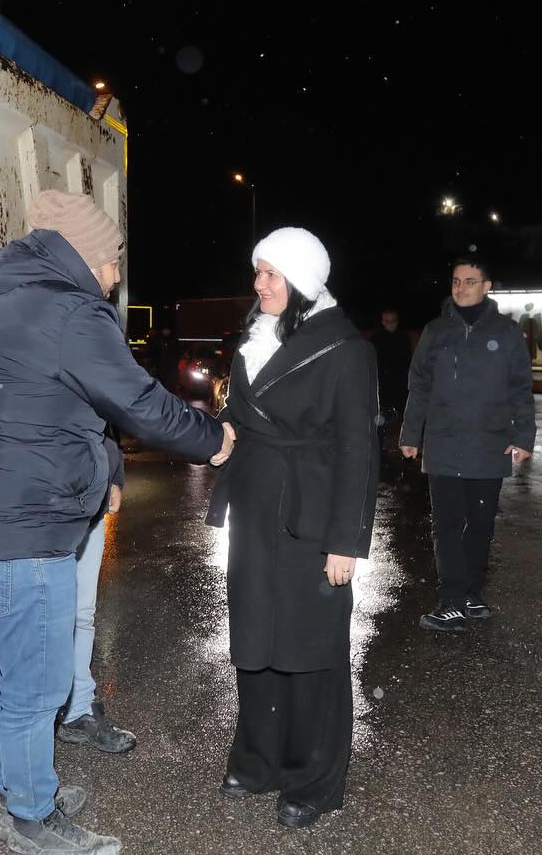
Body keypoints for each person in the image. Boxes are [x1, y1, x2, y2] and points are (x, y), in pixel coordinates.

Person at [0, 190, 233, 855]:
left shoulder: (1, 298)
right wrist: (211, 438)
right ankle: (32, 818)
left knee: (0, 675)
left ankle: (18, 789)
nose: (118, 274)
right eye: (113, 258)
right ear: (87, 255)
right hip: (22, 537)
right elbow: (139, 401)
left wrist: (105, 469)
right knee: (38, 688)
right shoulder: (72, 311)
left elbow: (46, 406)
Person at [205, 226, 379, 829]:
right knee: (256, 641)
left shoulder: (345, 349)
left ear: (303, 279)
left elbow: (359, 452)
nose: (259, 284)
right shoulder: (253, 341)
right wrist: (215, 441)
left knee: (310, 650)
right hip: (255, 513)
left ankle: (314, 777)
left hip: (310, 516)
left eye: (272, 273)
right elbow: (236, 417)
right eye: (257, 271)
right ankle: (257, 761)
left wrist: (346, 541)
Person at [398, 256, 537, 631]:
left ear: (487, 286)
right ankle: (453, 600)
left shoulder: (507, 333)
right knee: (447, 525)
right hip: (443, 444)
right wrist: (411, 434)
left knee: (480, 524)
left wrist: (523, 436)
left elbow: (520, 388)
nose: (461, 288)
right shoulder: (436, 331)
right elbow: (420, 385)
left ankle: (472, 594)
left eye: (470, 281)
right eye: (456, 281)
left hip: (489, 445)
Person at [55, 432, 136, 754]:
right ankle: (54, 709)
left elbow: (105, 421)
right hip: (47, 504)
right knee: (43, 615)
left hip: (88, 499)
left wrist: (113, 476)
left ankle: (77, 706)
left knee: (81, 614)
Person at [370, 308, 414, 484]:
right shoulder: (376, 339)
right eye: (386, 320)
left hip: (400, 387)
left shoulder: (403, 338)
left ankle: (408, 453)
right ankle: (380, 457)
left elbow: (408, 361)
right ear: (382, 321)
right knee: (380, 423)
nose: (390, 324)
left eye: (392, 320)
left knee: (406, 419)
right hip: (383, 388)